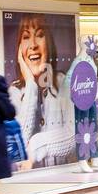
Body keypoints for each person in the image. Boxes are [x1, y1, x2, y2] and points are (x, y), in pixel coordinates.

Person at [9, 14, 74, 169]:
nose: (32, 45)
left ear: (49, 44)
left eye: (39, 35)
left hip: (64, 179)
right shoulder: (14, 92)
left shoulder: (64, 83)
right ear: (20, 51)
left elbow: (74, 135)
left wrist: (37, 145)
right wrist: (31, 85)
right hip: (28, 183)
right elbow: (18, 146)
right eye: (25, 37)